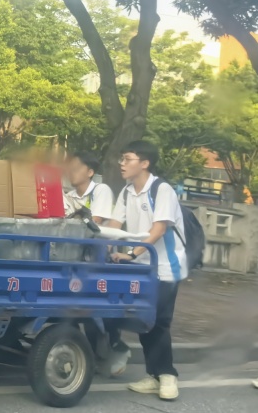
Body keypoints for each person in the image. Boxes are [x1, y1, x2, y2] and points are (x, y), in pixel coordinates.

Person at [107, 140, 188, 401]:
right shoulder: (127, 191)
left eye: (127, 158)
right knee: (144, 320)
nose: (122, 163)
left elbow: (159, 230)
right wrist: (108, 245)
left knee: (159, 321)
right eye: (122, 158)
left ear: (144, 163)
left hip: (165, 266)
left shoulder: (161, 189)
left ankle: (167, 376)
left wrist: (131, 253)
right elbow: (114, 222)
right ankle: (153, 375)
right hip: (141, 266)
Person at [65, 151, 132, 377]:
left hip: (99, 259)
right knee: (71, 310)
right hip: (77, 259)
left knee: (95, 311)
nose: (71, 172)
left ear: (90, 172)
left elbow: (96, 223)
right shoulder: (70, 195)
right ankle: (87, 356)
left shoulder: (100, 191)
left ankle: (115, 347)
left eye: (77, 167)